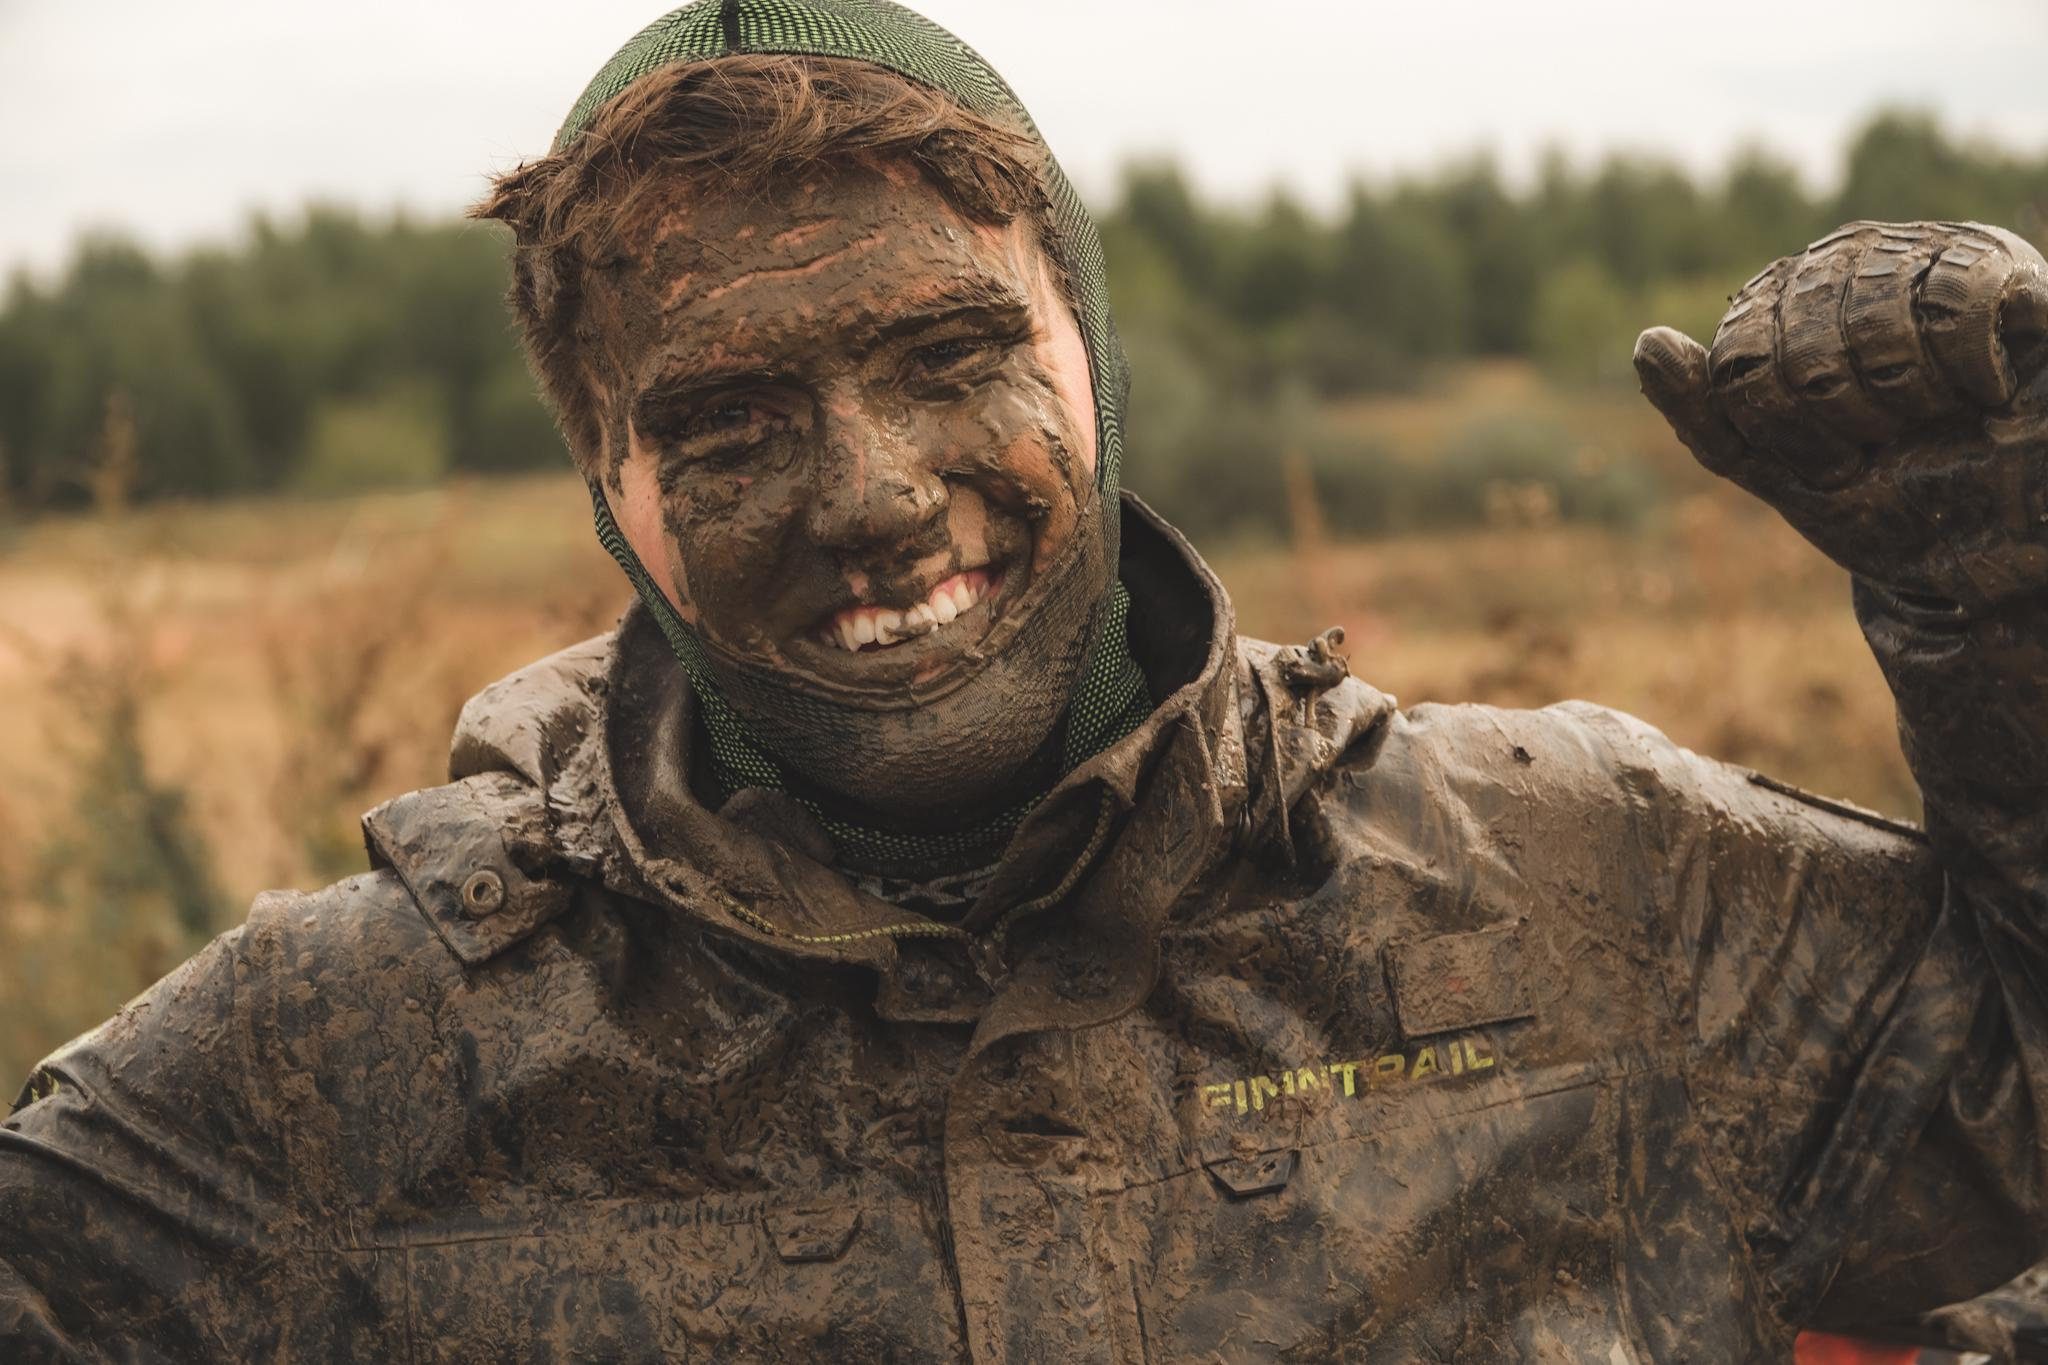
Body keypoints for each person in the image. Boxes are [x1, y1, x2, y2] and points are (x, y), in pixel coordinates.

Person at [4, 2, 2046, 1360]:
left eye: (944, 354)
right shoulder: (338, 1060)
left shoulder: (1567, 879)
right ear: (611, 491)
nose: (871, 495)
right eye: (723, 422)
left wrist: (1996, 589)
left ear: (1090, 355)